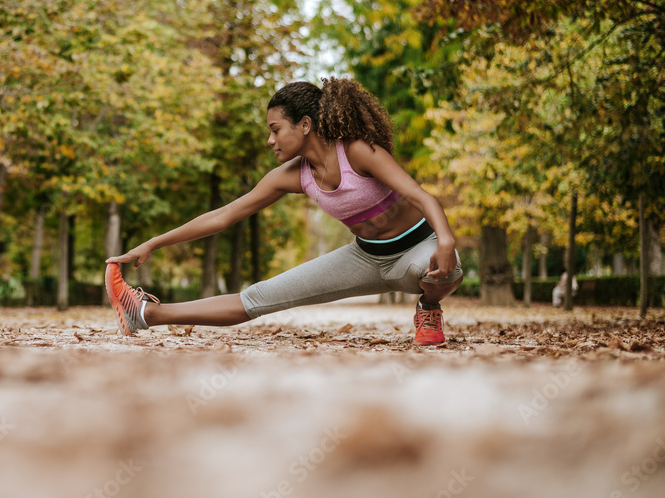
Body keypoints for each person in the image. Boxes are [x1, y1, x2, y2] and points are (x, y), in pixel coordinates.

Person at [104, 79, 463, 346]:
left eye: (275, 130)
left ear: (304, 125)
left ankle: (428, 309)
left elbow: (421, 196)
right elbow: (224, 215)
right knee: (258, 297)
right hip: (365, 257)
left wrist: (444, 240)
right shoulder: (292, 176)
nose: (270, 140)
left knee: (433, 271)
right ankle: (147, 315)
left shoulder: (357, 152)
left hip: (417, 248)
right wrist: (152, 243)